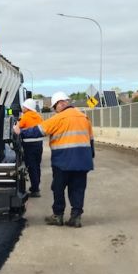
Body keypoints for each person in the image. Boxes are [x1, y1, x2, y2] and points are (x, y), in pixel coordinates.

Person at [14, 91, 94, 228]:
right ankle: (76, 217)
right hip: (82, 160)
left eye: (54, 107)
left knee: (58, 187)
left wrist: (20, 132)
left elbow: (39, 130)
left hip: (63, 160)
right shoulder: (84, 117)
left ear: (60, 104)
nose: (55, 110)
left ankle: (58, 216)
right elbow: (91, 141)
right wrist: (89, 157)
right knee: (78, 188)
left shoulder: (59, 118)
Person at [17, 97, 45, 198]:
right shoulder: (38, 116)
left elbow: (17, 129)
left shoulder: (25, 117)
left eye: (24, 106)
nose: (22, 108)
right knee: (37, 166)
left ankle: (35, 189)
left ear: (27, 108)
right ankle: (36, 186)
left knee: (31, 166)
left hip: (29, 145)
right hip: (39, 144)